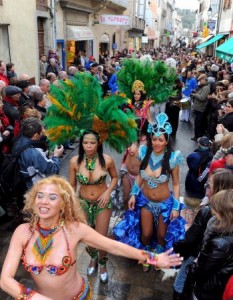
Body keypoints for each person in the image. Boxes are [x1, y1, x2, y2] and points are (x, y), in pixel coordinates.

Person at [0, 176, 183, 300]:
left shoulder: (74, 229)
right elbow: (5, 280)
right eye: (39, 196)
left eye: (52, 197)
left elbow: (114, 247)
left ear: (63, 204)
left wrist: (154, 258)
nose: (44, 201)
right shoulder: (23, 232)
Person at [113, 113, 185, 272]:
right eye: (154, 139)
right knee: (145, 234)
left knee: (161, 236)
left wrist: (175, 206)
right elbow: (140, 177)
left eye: (161, 139)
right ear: (151, 140)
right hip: (146, 201)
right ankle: (147, 257)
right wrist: (133, 194)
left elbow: (176, 184)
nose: (157, 143)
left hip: (165, 204)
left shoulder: (172, 158)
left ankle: (158, 257)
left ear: (166, 141)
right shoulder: (144, 153)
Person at [173, 168, 233, 300]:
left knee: (180, 286)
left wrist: (176, 249)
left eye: (209, 185)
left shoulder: (208, 213)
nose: (206, 187)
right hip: (212, 281)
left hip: (199, 268)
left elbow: (190, 242)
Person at [69, 129, 118, 283]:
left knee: (101, 237)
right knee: (88, 238)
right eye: (85, 143)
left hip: (102, 203)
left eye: (92, 143)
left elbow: (115, 177)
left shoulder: (107, 160)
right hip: (82, 203)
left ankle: (102, 264)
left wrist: (108, 192)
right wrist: (72, 203)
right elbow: (71, 185)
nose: (89, 146)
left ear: (98, 144)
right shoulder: (74, 162)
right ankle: (93, 259)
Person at [185, 189, 233, 300]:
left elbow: (200, 270)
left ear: (222, 212)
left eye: (214, 206)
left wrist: (192, 266)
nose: (211, 208)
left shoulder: (219, 244)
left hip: (207, 290)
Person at [191, 74, 210, 141]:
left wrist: (195, 95)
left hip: (200, 108)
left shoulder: (206, 88)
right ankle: (197, 136)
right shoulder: (202, 87)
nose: (200, 82)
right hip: (198, 107)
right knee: (197, 122)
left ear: (204, 79)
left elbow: (202, 98)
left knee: (198, 123)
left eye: (201, 80)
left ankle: (197, 136)